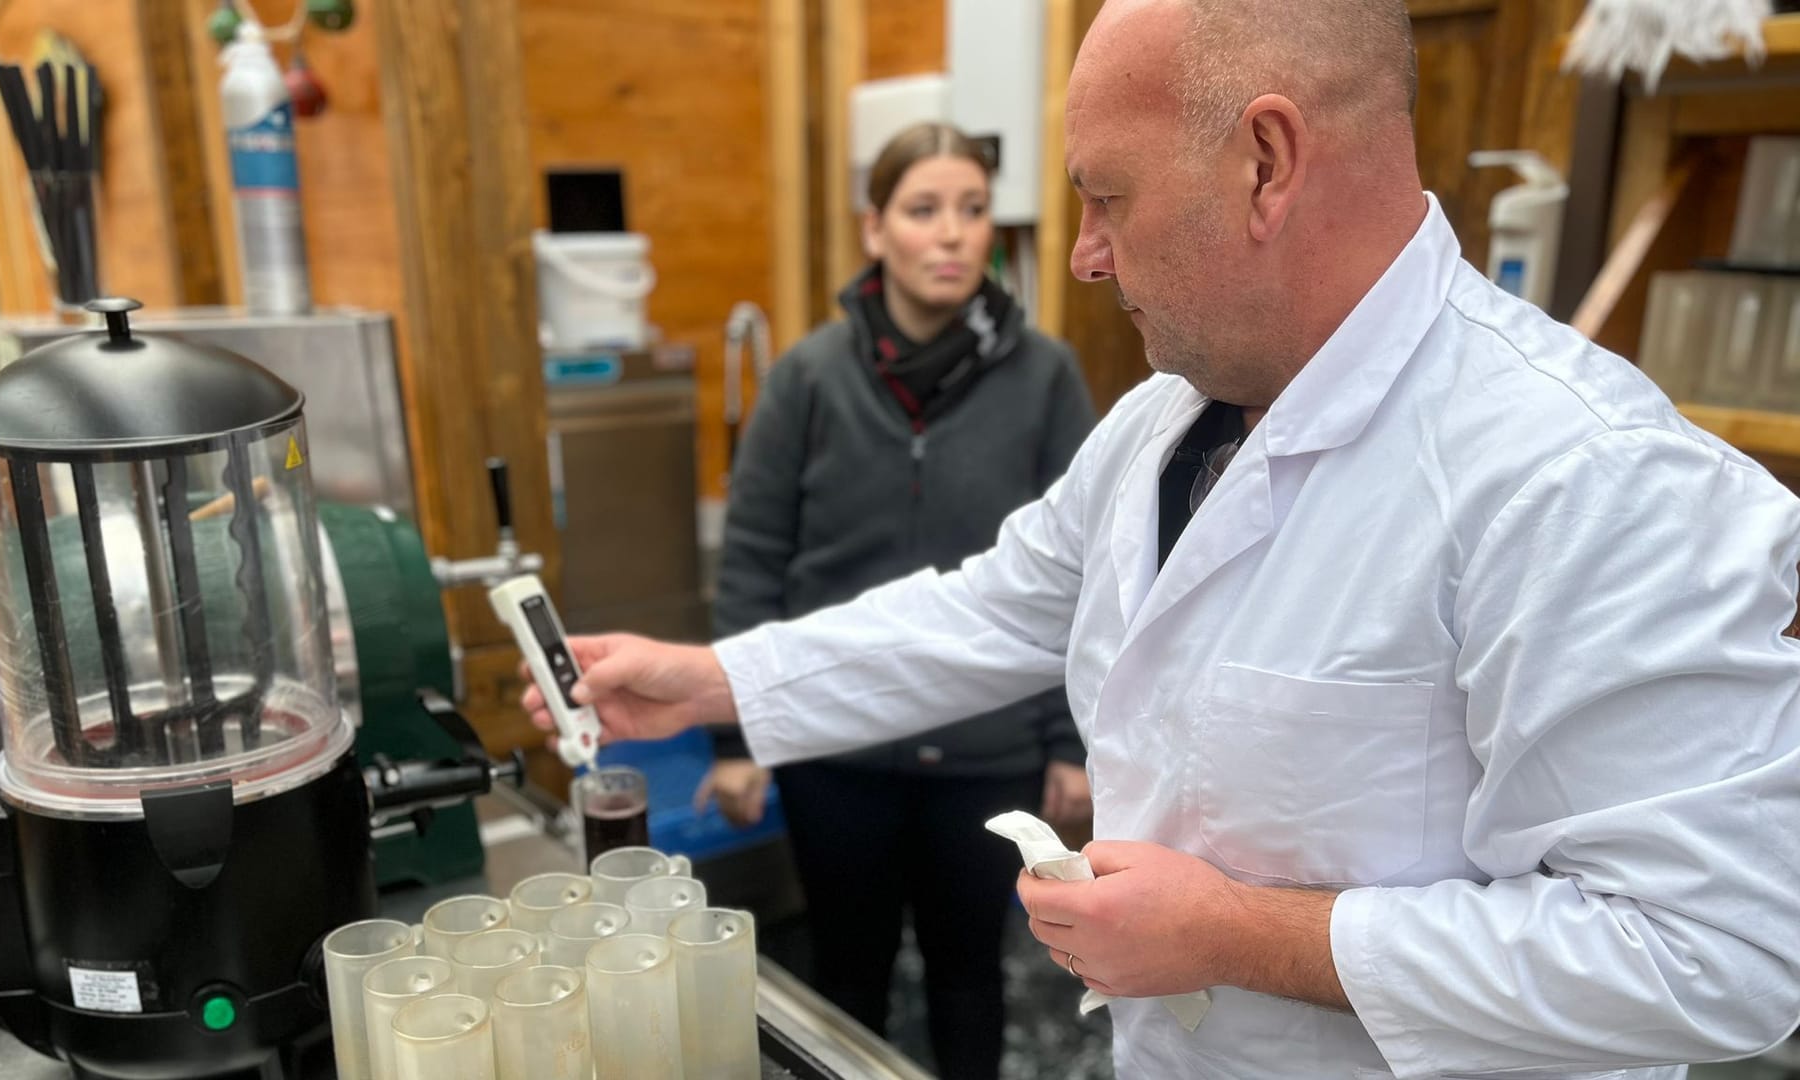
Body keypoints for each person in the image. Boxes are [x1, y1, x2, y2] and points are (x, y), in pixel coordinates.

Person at [527, 0, 1800, 1075]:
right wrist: (709, 682)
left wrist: (1244, 936)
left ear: (1265, 162)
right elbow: (991, 607)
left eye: (1104, 199)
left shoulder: (1582, 474)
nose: (1080, 257)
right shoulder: (1164, 421)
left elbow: (1721, 951)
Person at [697, 122, 1097, 1079]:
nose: (952, 234)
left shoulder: (1045, 378)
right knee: (847, 973)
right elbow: (754, 559)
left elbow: (1085, 581)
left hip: (985, 754)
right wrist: (740, 734)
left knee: (972, 975)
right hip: (838, 751)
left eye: (971, 211)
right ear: (875, 230)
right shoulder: (807, 379)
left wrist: (1070, 744)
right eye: (924, 210)